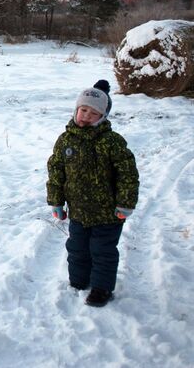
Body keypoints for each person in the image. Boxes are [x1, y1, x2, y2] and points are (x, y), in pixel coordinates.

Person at [46, 79, 139, 307]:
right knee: (77, 249)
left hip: (108, 214)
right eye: (83, 110)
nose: (86, 116)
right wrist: (56, 201)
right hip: (77, 212)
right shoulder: (65, 140)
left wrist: (125, 203)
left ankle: (101, 288)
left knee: (103, 251)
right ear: (76, 110)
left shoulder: (112, 142)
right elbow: (56, 171)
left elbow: (128, 174)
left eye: (94, 112)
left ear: (103, 117)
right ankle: (78, 281)